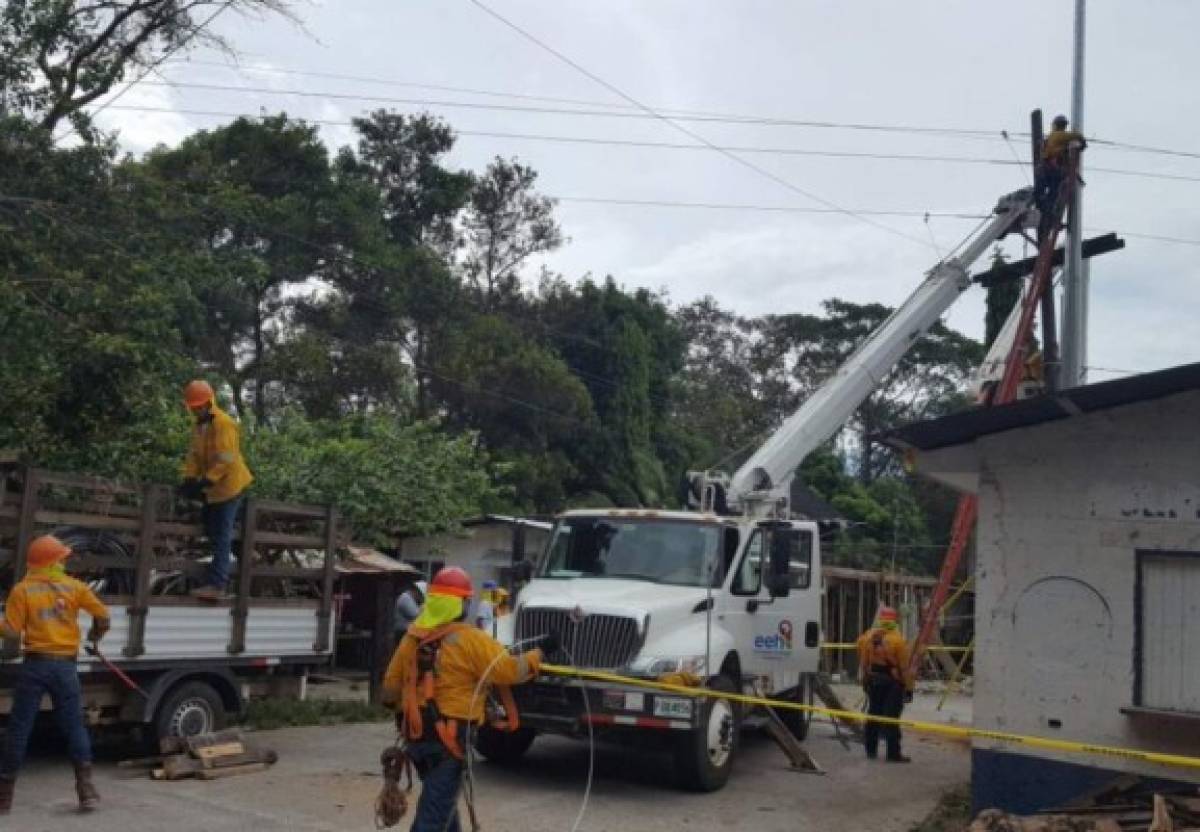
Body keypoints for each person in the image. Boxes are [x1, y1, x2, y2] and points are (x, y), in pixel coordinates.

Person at [383, 567, 553, 832]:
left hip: (416, 740)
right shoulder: (470, 639)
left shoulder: (412, 638)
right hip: (449, 741)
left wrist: (407, 712)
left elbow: (390, 689)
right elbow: (509, 671)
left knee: (442, 803)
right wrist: (539, 654)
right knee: (433, 815)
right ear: (461, 603)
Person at [0, 535, 111, 814]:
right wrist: (95, 635)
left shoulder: (22, 590)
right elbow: (103, 615)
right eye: (62, 558)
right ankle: (85, 791)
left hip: (34, 665)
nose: (65, 561)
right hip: (65, 666)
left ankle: (4, 798)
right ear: (54, 561)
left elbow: (12, 631)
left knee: (19, 728)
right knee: (73, 726)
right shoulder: (74, 587)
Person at [179, 379, 253, 600]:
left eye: (199, 406)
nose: (196, 410)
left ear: (209, 402)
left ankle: (217, 585)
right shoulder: (200, 426)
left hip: (229, 486)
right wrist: (189, 479)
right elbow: (194, 455)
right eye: (193, 408)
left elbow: (227, 458)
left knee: (221, 534)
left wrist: (207, 481)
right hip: (214, 489)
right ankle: (222, 570)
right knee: (210, 529)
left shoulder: (224, 423)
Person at [856, 606, 914, 763]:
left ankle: (871, 750)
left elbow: (860, 649)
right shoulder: (898, 640)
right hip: (893, 684)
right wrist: (909, 688)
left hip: (874, 680)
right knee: (891, 718)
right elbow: (904, 667)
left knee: (873, 715)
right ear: (894, 620)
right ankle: (893, 754)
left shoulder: (867, 637)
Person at [1034, 114, 1087, 226]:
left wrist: (1078, 178)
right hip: (1051, 170)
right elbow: (1076, 135)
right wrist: (1083, 143)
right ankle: (1047, 211)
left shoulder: (1052, 139)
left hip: (1044, 171)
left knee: (1044, 193)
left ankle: (1045, 212)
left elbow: (1069, 166)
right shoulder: (1058, 136)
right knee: (1052, 193)